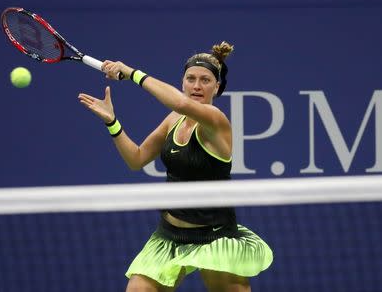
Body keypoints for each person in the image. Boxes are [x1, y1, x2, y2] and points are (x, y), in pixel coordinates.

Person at [78, 41, 273, 292]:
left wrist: (132, 72)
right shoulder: (173, 120)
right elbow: (136, 159)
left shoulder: (216, 120)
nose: (196, 86)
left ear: (218, 87)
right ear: (182, 83)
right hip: (169, 236)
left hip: (215, 237)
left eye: (205, 80)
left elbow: (180, 103)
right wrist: (112, 122)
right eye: (190, 79)